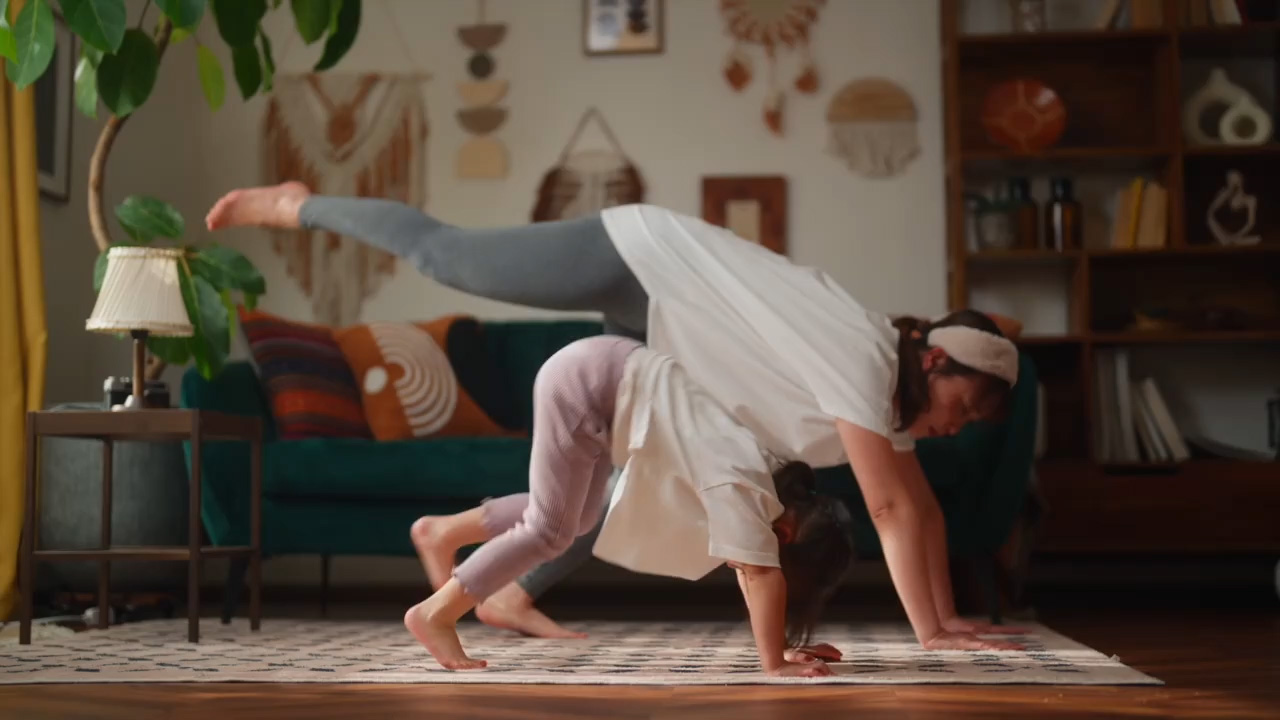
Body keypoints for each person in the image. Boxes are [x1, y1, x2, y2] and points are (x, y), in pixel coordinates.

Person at [205, 183, 1028, 653]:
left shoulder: (887, 399)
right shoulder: (866, 358)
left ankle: (502, 587)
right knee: (446, 254)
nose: (956, 428)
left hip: (664, 337)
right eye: (962, 409)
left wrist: (948, 617)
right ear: (933, 365)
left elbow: (914, 507)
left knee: (625, 489)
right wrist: (931, 635)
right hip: (639, 260)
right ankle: (300, 205)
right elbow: (886, 508)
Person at [385, 332, 857, 673]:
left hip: (604, 377)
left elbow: (753, 570)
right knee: (549, 532)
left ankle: (441, 530)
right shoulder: (744, 485)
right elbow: (758, 575)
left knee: (580, 518)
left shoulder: (768, 483)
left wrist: (779, 648)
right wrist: (774, 664)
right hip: (588, 382)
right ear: (787, 537)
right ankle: (435, 613)